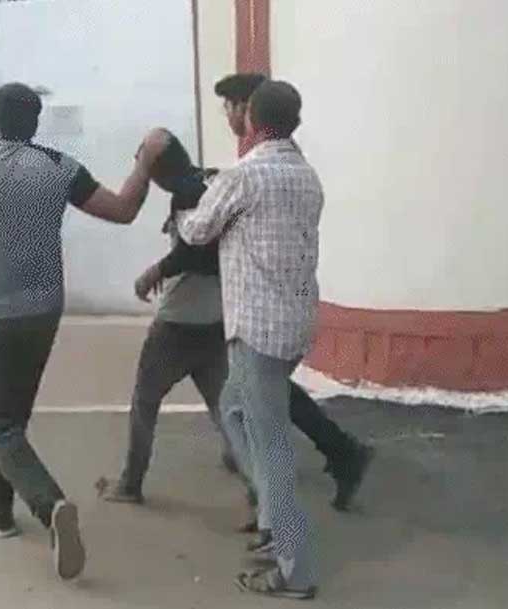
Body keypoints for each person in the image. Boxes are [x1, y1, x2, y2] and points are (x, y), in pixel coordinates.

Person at [0, 83, 169, 581]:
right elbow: (123, 210)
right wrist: (144, 164)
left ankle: (50, 505)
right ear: (35, 123)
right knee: (9, 416)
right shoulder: (60, 167)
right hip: (44, 312)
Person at [177, 80, 323, 598]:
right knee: (233, 408)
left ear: (253, 120)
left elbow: (197, 230)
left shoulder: (244, 176)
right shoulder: (306, 175)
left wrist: (182, 210)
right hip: (294, 323)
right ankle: (271, 520)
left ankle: (293, 568)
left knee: (271, 443)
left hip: (256, 328)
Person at [215, 74, 372, 529]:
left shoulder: (253, 171)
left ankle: (277, 522)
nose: (228, 116)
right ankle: (331, 459)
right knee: (251, 400)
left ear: (249, 112)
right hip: (289, 312)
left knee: (257, 416)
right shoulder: (293, 169)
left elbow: (207, 226)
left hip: (260, 313)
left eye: (231, 106)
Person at [97, 133, 235, 505]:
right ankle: (250, 474)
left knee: (145, 401)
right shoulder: (213, 181)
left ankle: (130, 483)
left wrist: (155, 271)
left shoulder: (187, 194)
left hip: (179, 321)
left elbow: (196, 251)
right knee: (222, 404)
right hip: (215, 316)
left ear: (156, 173)